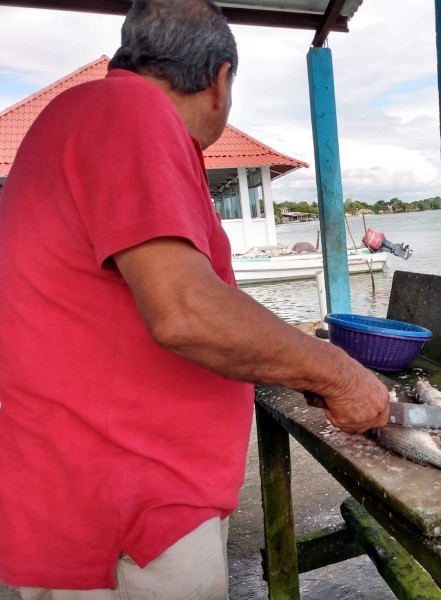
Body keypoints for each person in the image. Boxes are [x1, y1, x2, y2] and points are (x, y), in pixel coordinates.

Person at [0, 0, 390, 597]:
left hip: (83, 490)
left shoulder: (81, 114)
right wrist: (340, 374)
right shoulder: (134, 112)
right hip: (126, 512)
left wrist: (290, 356)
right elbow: (186, 310)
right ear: (220, 79)